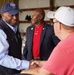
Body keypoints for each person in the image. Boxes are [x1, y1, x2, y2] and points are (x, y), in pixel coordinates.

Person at [20, 6, 74, 75]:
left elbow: (43, 73)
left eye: (54, 22)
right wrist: (44, 63)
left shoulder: (63, 47)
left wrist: (23, 72)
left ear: (59, 26)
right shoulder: (70, 43)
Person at [0, 2, 33, 75]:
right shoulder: (1, 31)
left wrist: (26, 63)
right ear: (2, 15)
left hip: (15, 71)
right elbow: (2, 58)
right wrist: (26, 64)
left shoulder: (14, 28)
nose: (15, 17)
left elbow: (16, 51)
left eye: (16, 14)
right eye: (11, 15)